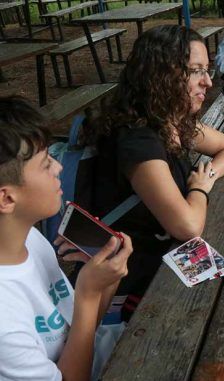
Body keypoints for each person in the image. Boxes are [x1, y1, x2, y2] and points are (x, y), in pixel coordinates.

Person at [82, 25, 224, 320]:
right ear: (163, 75)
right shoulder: (137, 138)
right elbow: (187, 226)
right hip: (131, 282)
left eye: (207, 70)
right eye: (196, 71)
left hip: (165, 255)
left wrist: (205, 175)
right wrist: (200, 189)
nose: (208, 82)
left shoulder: (171, 121)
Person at [0, 95, 134, 381]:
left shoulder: (30, 241)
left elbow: (80, 335)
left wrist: (105, 278)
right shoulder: (5, 322)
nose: (59, 167)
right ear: (7, 198)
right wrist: (86, 293)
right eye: (46, 163)